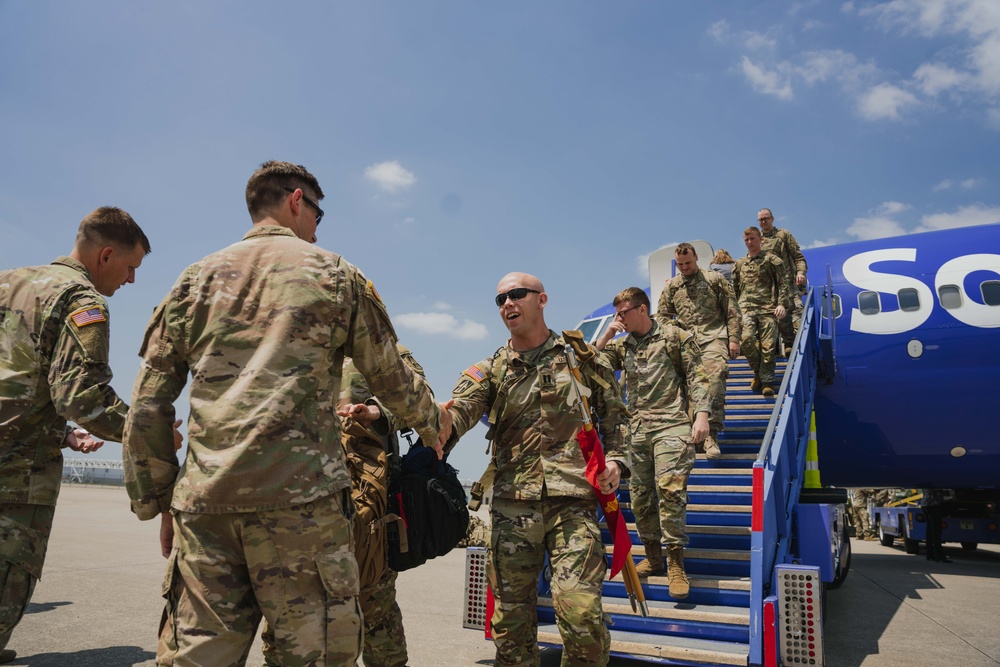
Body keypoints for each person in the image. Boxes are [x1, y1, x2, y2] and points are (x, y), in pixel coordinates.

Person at [122, 160, 452, 666]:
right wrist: (435, 424)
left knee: (198, 656)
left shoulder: (193, 279)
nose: (318, 228)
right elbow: (393, 376)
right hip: (302, 509)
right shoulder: (335, 274)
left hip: (207, 506)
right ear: (297, 200)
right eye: (318, 214)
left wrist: (160, 501)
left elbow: (147, 406)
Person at [446, 272, 629, 667]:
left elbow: (616, 419)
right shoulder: (492, 368)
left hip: (573, 504)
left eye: (516, 295)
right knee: (511, 628)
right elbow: (456, 414)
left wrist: (616, 460)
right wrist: (423, 416)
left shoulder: (582, 359)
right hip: (512, 509)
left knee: (581, 615)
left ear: (542, 299)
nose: (507, 304)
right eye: (500, 300)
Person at [0, 207, 151, 665]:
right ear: (105, 255)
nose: (130, 281)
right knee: (9, 574)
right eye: (130, 268)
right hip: (18, 471)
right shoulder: (81, 299)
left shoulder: (8, 281)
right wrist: (147, 430)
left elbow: (19, 380)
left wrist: (64, 433)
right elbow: (81, 395)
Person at [596, 287, 711, 598]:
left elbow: (697, 376)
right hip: (636, 430)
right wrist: (608, 333)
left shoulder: (674, 336)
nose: (619, 318)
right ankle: (654, 556)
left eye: (623, 313)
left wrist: (701, 415)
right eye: (616, 314)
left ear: (642, 310)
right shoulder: (624, 346)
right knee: (641, 497)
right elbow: (592, 361)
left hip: (672, 425)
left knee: (670, 490)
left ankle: (676, 563)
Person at [657, 244, 741, 460]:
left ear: (696, 259)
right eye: (680, 264)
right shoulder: (672, 287)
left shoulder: (714, 280)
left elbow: (732, 310)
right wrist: (673, 334)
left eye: (688, 263)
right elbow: (663, 316)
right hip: (686, 343)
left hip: (713, 336)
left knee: (714, 378)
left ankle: (710, 434)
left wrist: (733, 339)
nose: (685, 267)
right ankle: (691, 435)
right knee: (686, 388)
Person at [733, 227, 791, 398]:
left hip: (768, 309)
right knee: (746, 340)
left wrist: (781, 304)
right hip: (746, 309)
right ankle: (758, 371)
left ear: (760, 239)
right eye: (746, 240)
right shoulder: (740, 264)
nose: (750, 242)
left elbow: (783, 284)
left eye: (752, 238)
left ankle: (767, 382)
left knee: (768, 347)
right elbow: (735, 289)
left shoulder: (772, 260)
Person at [757, 208, 807, 356]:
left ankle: (801, 344)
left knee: (797, 312)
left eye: (766, 218)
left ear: (772, 219)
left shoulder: (783, 235)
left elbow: (798, 257)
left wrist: (800, 273)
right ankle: (788, 343)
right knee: (780, 317)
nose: (764, 222)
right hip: (770, 287)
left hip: (789, 283)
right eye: (761, 219)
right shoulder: (757, 239)